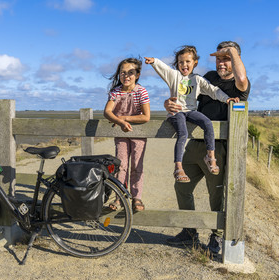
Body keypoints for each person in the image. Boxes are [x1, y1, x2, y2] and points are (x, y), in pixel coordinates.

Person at [163, 41, 250, 257]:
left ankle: (216, 236)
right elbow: (186, 97)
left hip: (218, 149)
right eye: (219, 57)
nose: (221, 62)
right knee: (182, 187)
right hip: (195, 144)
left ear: (236, 59)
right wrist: (169, 103)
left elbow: (240, 78)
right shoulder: (208, 77)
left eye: (227, 57)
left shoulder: (241, 84)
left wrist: (231, 52)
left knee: (216, 196)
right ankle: (189, 231)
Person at [144, 46, 239, 184]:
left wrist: (227, 99)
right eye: (181, 62)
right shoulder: (174, 76)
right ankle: (178, 167)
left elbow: (214, 91)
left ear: (195, 63)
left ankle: (210, 158)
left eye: (188, 61)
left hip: (191, 111)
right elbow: (164, 69)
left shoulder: (198, 79)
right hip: (176, 112)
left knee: (207, 123)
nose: (184, 65)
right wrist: (154, 61)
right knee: (183, 133)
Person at [104, 58, 150, 212]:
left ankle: (136, 197)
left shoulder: (141, 91)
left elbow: (146, 116)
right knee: (121, 165)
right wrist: (120, 122)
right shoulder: (116, 92)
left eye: (131, 72)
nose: (126, 76)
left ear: (137, 75)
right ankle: (120, 196)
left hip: (138, 133)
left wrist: (124, 118)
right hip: (121, 133)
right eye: (123, 73)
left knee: (137, 165)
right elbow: (107, 111)